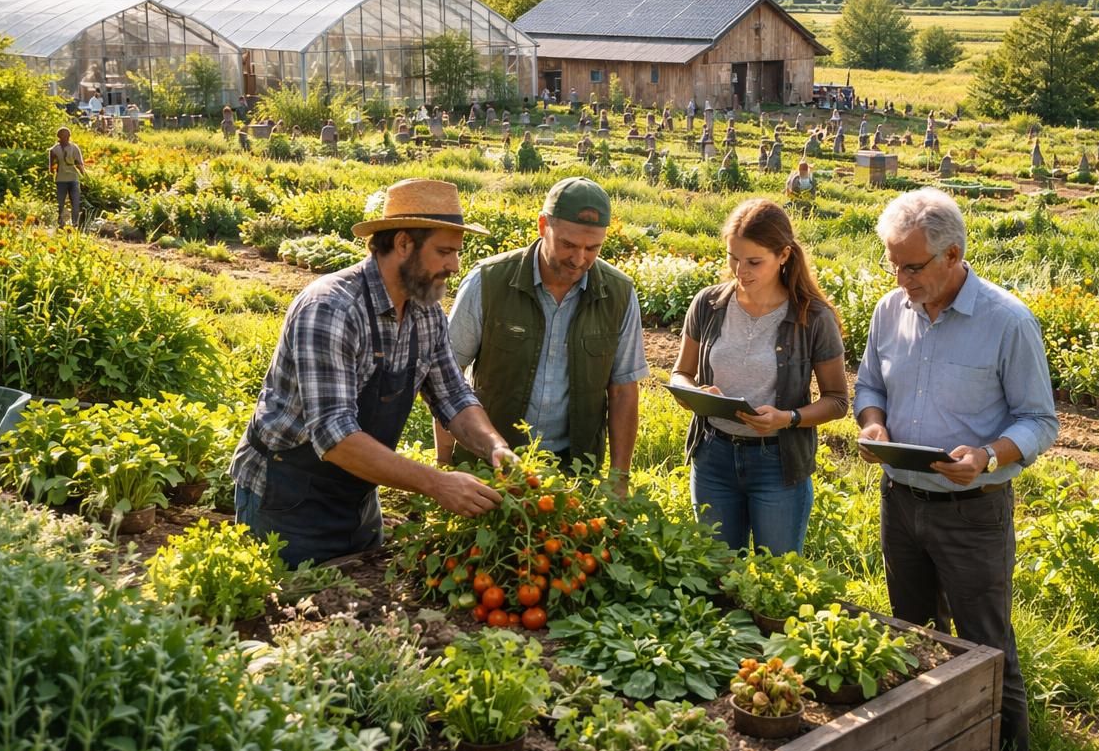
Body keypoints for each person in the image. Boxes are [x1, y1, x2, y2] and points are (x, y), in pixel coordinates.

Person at [854, 188, 1058, 751]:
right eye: (892, 263)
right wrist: (873, 426)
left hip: (972, 511)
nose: (900, 279)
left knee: (985, 643)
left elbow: (1040, 422)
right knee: (913, 634)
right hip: (902, 499)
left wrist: (988, 458)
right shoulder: (890, 311)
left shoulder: (1007, 322)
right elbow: (870, 386)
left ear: (953, 255)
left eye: (912, 266)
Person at [230, 179, 517, 569]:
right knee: (285, 616)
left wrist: (495, 447)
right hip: (289, 499)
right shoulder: (332, 308)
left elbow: (453, 396)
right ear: (403, 244)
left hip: (358, 496)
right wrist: (436, 483)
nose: (454, 265)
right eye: (444, 252)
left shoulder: (425, 311)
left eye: (456, 253)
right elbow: (335, 436)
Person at [437, 177, 647, 488]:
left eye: (593, 248)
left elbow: (623, 391)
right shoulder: (488, 282)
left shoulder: (618, 294)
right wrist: (444, 463)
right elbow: (448, 378)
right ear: (542, 226)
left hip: (573, 472)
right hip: (488, 467)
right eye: (568, 244)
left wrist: (618, 480)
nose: (579, 259)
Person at [670, 199, 848, 554]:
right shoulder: (708, 305)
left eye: (754, 262)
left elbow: (837, 401)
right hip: (714, 457)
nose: (740, 271)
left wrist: (789, 418)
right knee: (716, 573)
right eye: (733, 258)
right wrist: (695, 392)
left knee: (775, 576)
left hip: (776, 465)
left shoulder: (813, 318)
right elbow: (680, 374)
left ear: (783, 255)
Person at [48, 127, 86, 229]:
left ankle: (75, 223)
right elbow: (51, 166)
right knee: (60, 202)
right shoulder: (54, 150)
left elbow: (79, 163)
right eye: (64, 135)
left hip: (73, 178)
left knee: (75, 201)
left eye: (68, 135)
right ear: (59, 137)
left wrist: (85, 176)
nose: (67, 137)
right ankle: (61, 222)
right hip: (61, 179)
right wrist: (51, 175)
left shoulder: (74, 148)